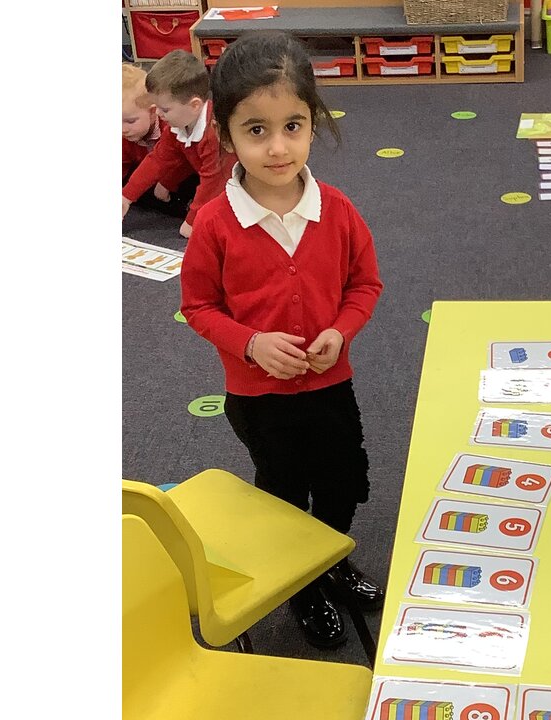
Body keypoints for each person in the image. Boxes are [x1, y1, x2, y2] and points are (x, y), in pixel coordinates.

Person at [179, 31, 384, 650]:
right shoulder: (215, 223)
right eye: (256, 130)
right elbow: (198, 307)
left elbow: (365, 285)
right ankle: (303, 584)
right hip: (258, 398)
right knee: (285, 491)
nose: (277, 147)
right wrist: (250, 344)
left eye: (292, 126)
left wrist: (340, 330)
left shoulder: (337, 210)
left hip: (330, 385)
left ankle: (328, 558)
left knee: (344, 480)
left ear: (313, 123)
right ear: (226, 136)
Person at [122, 50, 237, 238]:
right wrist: (126, 196)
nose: (158, 113)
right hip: (214, 184)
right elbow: (158, 159)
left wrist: (192, 221)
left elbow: (214, 182)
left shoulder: (213, 133)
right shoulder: (177, 126)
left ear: (194, 105)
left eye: (165, 109)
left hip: (238, 189)